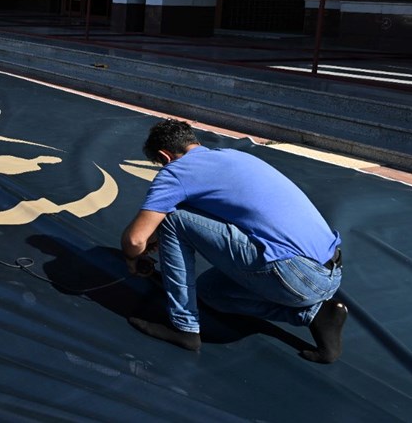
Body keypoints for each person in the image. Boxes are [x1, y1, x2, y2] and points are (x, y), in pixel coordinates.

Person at [120, 119, 346, 363]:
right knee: (210, 292)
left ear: (164, 157)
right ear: (193, 142)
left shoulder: (176, 172)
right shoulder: (234, 157)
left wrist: (133, 258)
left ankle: (184, 327)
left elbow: (135, 239)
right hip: (328, 274)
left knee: (173, 220)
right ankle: (316, 314)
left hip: (295, 275)